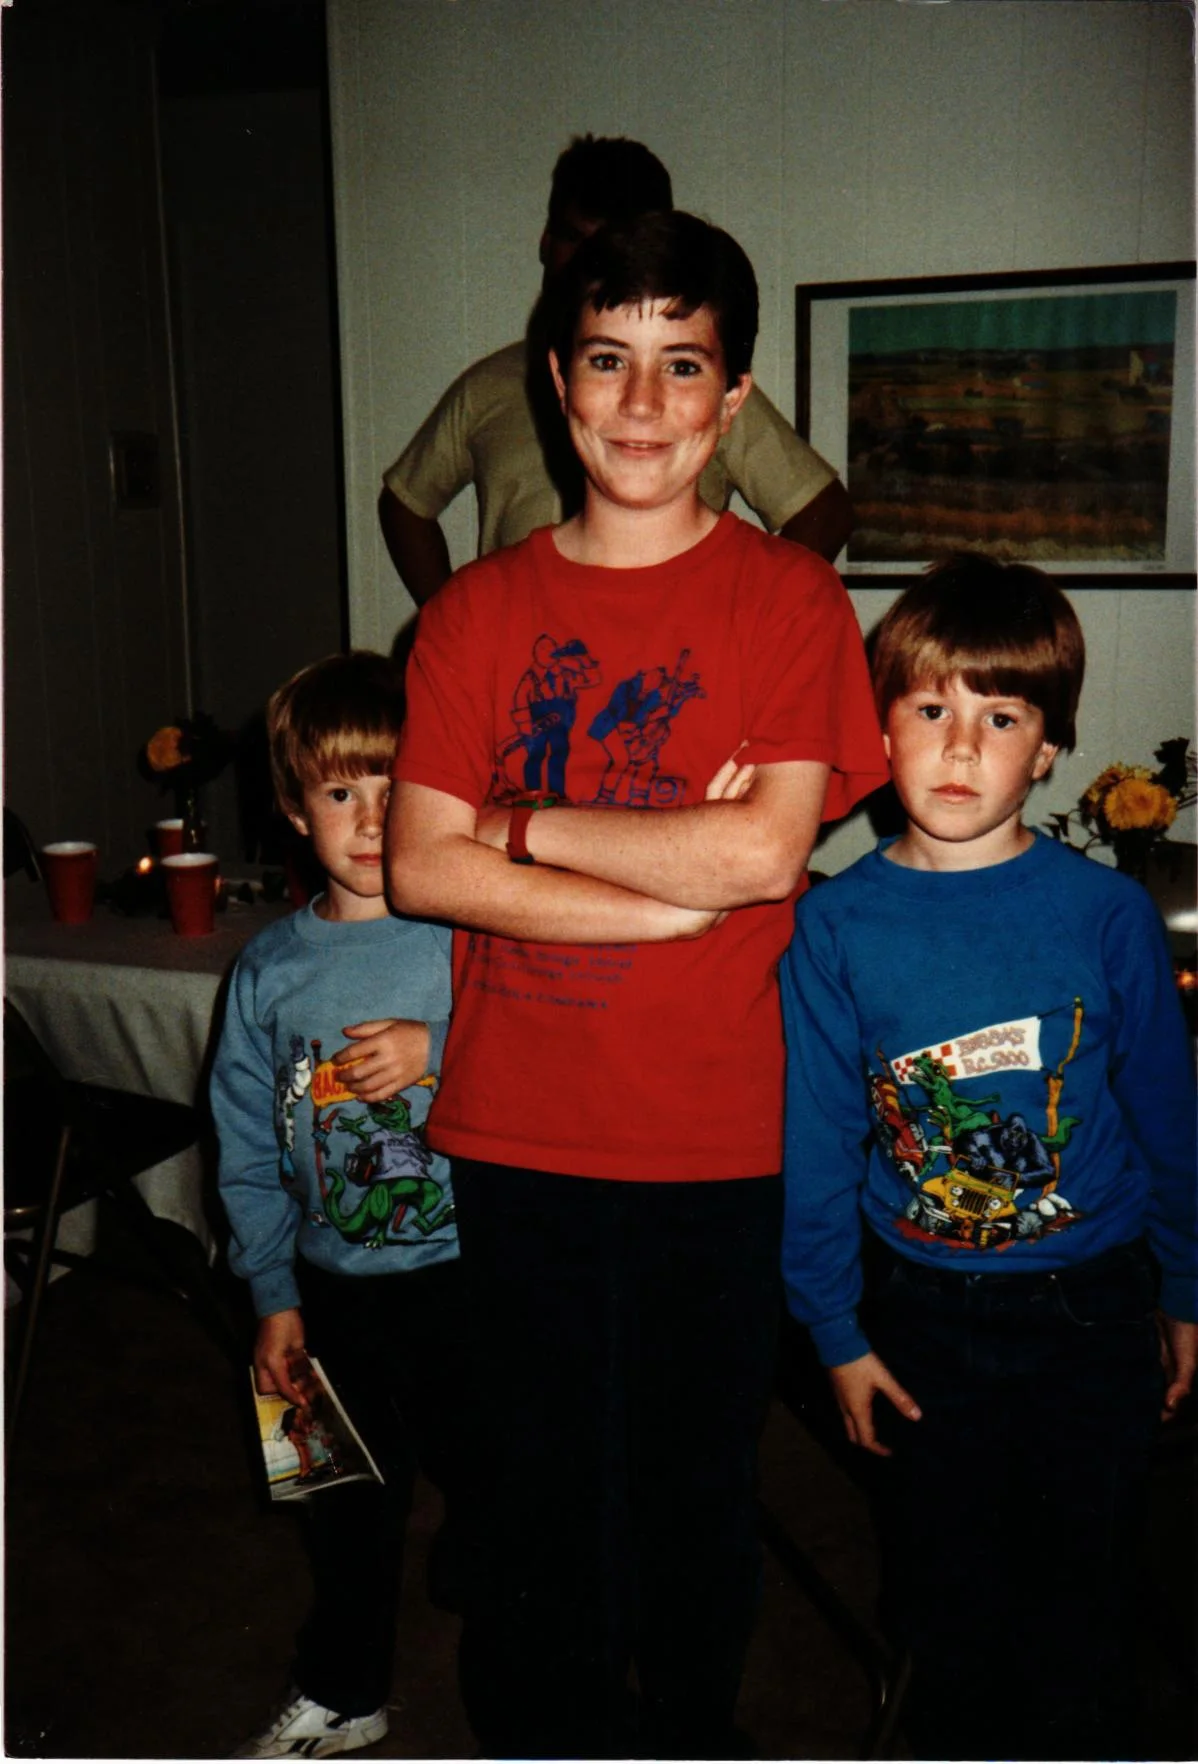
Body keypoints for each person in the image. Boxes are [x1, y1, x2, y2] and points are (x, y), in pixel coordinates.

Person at [386, 209, 888, 1758]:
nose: (643, 402)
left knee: (689, 1500)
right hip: (516, 1133)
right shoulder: (471, 614)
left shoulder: (788, 601)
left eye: (683, 366)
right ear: (558, 383)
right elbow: (421, 868)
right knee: (530, 1505)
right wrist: (663, 899)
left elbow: (761, 853)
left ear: (733, 400)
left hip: (713, 1142)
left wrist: (522, 822)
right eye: (608, 360)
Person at [778, 556, 1198, 1762]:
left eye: (999, 717)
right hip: (916, 1310)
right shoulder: (833, 924)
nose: (959, 746)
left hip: (1091, 1303)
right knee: (941, 1596)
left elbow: (1165, 1115)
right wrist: (833, 1331)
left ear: (1049, 747)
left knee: (1083, 1597)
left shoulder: (1105, 914)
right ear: (879, 732)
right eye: (928, 710)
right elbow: (816, 1138)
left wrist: (1184, 1286)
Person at [211, 652, 474, 1759]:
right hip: (328, 1289)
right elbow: (243, 1148)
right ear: (291, 807)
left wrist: (439, 1048)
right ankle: (343, 1686)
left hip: (470, 1278)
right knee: (338, 1502)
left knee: (505, 1484)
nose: (371, 820)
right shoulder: (266, 972)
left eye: (395, 788)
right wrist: (270, 1296)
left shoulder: (470, 932)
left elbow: (553, 1051)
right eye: (338, 791)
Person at [379, 133, 851, 605]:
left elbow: (824, 511)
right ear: (546, 242)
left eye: (611, 245)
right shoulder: (488, 387)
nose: (639, 403)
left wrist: (740, 616)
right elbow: (406, 503)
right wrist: (451, 612)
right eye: (574, 238)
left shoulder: (702, 398)